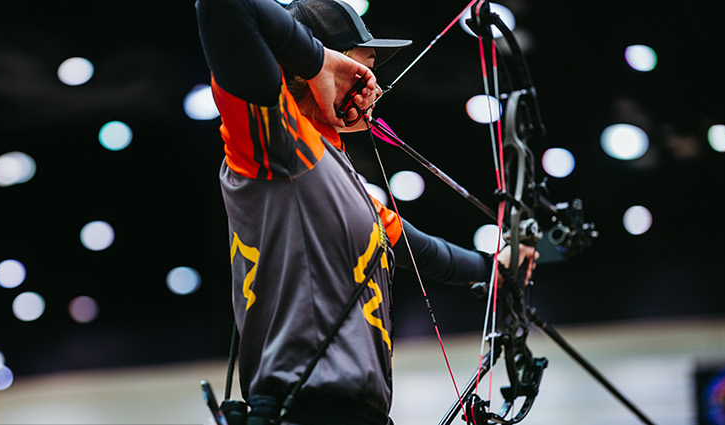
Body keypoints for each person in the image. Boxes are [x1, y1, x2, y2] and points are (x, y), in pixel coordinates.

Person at [197, 0, 536, 423]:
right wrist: (319, 61)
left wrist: (495, 271)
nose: (374, 87)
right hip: (307, 413)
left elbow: (423, 251)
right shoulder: (277, 143)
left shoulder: (339, 176)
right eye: (359, 70)